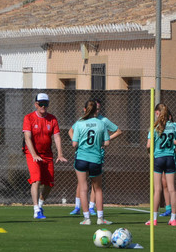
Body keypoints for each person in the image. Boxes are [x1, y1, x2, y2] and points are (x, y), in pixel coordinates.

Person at [69, 99, 121, 216]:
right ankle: (98, 216)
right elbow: (106, 142)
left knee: (86, 187)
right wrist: (100, 142)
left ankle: (87, 214)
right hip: (95, 158)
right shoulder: (98, 123)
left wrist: (80, 142)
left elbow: (74, 143)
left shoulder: (84, 122)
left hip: (83, 157)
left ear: (85, 110)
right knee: (96, 187)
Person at [23, 92, 67, 220]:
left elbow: (57, 136)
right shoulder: (29, 118)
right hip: (32, 153)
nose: (43, 106)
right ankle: (36, 209)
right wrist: (34, 154)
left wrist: (60, 153)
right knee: (36, 179)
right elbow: (27, 137)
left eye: (46, 104)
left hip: (47, 154)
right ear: (36, 104)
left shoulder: (52, 119)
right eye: (41, 104)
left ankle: (41, 204)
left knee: (49, 183)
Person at [146, 103, 176, 226]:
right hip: (170, 158)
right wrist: (173, 151)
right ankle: (173, 218)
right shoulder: (174, 126)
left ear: (158, 113)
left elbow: (148, 145)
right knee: (172, 188)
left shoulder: (155, 127)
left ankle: (154, 219)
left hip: (158, 158)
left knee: (157, 189)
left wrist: (150, 154)